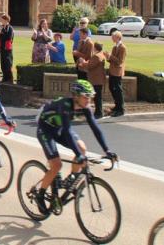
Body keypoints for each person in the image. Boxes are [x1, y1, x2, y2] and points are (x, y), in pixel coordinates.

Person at [34, 80, 117, 215]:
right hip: (46, 129)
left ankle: (70, 179)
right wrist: (78, 155)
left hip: (60, 128)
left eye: (90, 96)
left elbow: (95, 128)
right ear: (76, 96)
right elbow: (67, 132)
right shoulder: (65, 105)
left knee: (82, 148)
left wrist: (107, 150)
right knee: (56, 165)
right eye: (85, 96)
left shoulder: (86, 107)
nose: (88, 100)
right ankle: (40, 195)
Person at [78, 42, 107, 119]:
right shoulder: (100, 55)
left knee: (97, 97)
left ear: (95, 48)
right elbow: (91, 63)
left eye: (93, 47)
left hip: (96, 79)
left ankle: (99, 113)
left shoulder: (96, 56)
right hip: (98, 79)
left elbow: (90, 66)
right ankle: (99, 112)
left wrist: (83, 62)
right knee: (97, 97)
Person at [104, 31, 126, 116]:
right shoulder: (114, 47)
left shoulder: (122, 48)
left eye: (113, 37)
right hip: (112, 71)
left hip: (117, 72)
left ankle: (121, 109)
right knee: (111, 88)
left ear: (118, 37)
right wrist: (107, 57)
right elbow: (111, 60)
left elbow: (120, 61)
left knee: (118, 90)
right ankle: (117, 106)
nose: (112, 38)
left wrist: (111, 56)